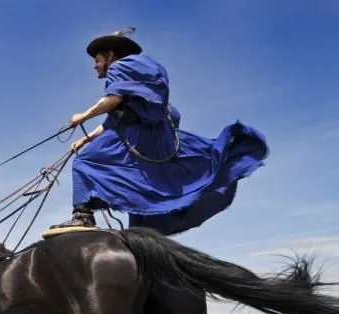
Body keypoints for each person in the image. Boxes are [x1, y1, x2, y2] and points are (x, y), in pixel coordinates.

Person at [49, 28, 269, 235]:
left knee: (84, 162)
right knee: (131, 192)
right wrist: (85, 139)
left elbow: (112, 100)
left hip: (140, 139)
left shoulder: (119, 68)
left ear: (110, 55)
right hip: (151, 138)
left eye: (97, 60)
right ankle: (141, 232)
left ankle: (83, 216)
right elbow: (112, 121)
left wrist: (82, 116)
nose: (95, 66)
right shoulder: (135, 72)